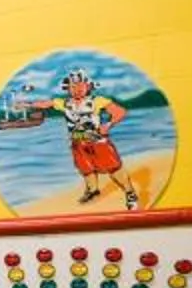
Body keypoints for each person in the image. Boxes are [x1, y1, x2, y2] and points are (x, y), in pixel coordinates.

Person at [55, 68, 139, 210]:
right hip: (78, 142)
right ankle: (93, 190)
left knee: (113, 168)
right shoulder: (64, 104)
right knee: (85, 168)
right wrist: (28, 105)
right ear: (68, 88)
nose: (77, 89)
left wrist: (108, 125)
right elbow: (46, 104)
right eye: (73, 87)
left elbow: (120, 112)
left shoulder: (97, 101)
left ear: (88, 86)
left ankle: (130, 194)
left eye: (81, 85)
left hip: (98, 142)